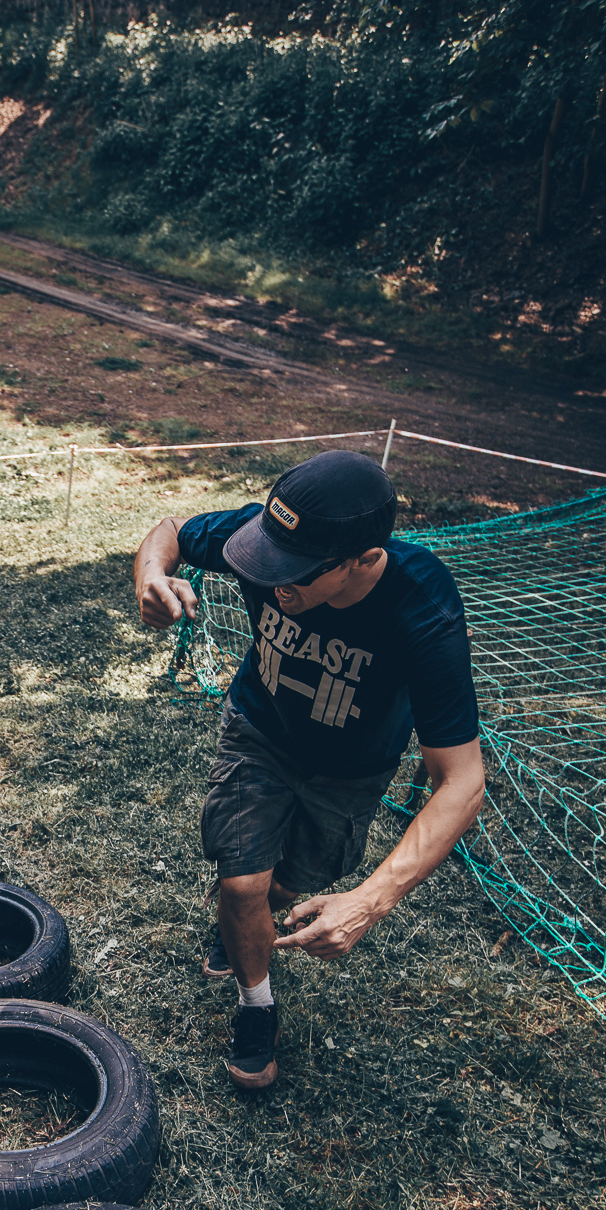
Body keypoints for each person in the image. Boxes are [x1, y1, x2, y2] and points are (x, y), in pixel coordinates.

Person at [133, 449, 484, 1090]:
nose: (272, 581)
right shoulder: (263, 541)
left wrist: (370, 901)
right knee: (242, 886)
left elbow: (462, 780)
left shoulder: (422, 609)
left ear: (363, 560)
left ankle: (248, 929)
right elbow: (172, 532)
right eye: (270, 559)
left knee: (284, 889)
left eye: (295, 572)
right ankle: (256, 1006)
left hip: (350, 773)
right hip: (259, 733)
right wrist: (153, 576)